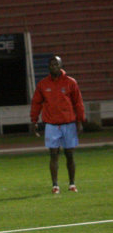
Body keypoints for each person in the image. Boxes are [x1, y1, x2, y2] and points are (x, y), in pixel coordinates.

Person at [30, 55, 85, 194]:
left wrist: (80, 120)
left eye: (56, 64)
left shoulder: (70, 82)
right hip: (52, 125)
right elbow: (36, 103)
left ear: (61, 65)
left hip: (68, 123)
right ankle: (55, 186)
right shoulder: (43, 84)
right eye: (51, 65)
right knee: (53, 154)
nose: (53, 67)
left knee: (70, 154)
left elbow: (78, 102)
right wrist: (34, 120)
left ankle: (72, 184)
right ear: (48, 67)